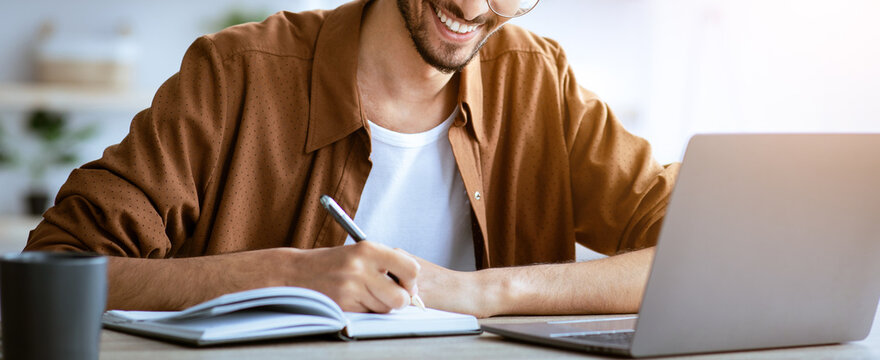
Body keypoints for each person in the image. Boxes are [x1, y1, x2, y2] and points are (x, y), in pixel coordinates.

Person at [25, 0, 678, 318]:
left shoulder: (537, 79)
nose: (477, 8)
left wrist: (486, 291)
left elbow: (696, 251)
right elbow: (47, 274)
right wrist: (284, 275)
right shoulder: (236, 75)